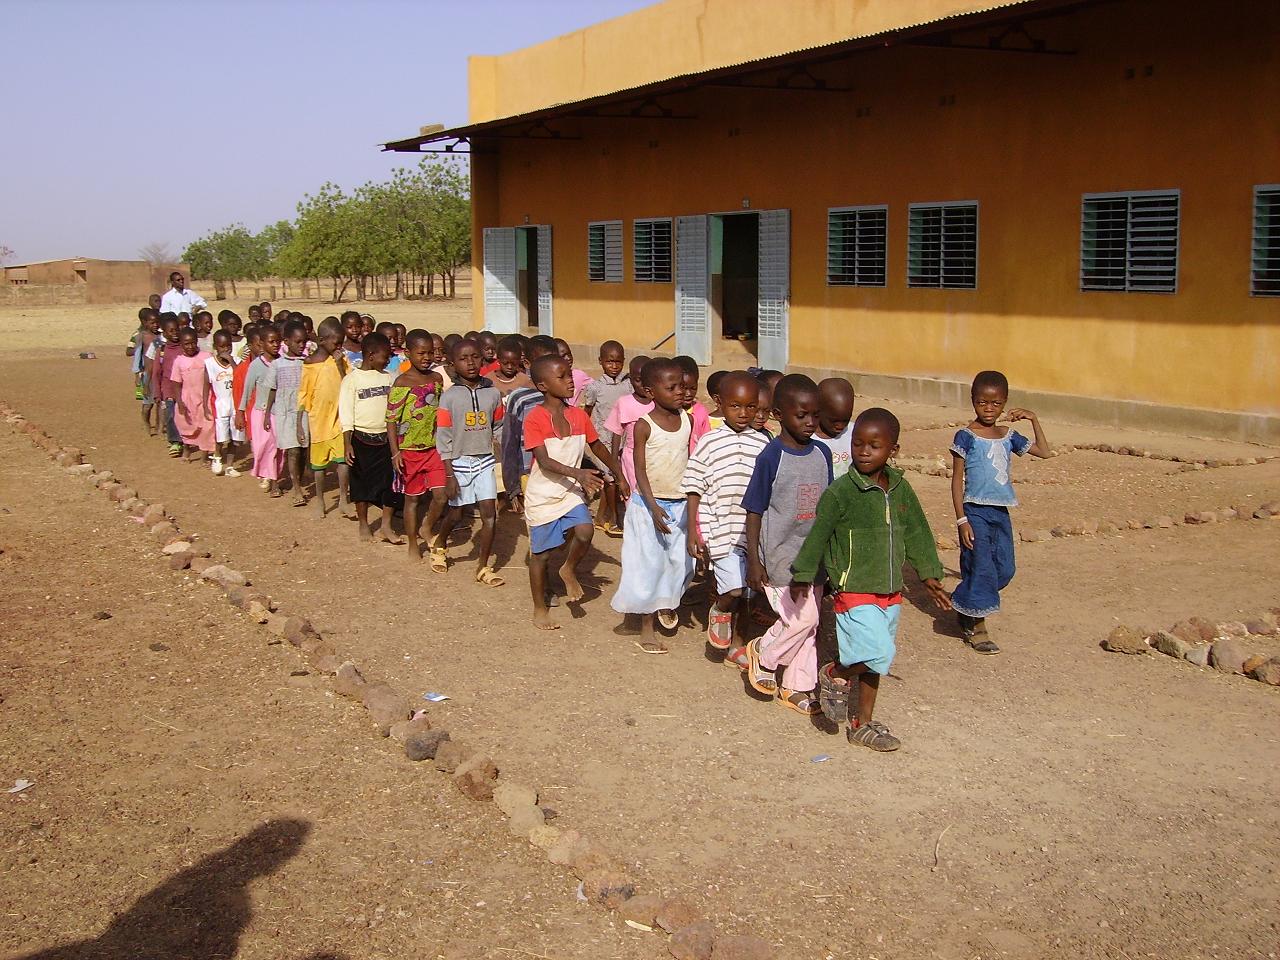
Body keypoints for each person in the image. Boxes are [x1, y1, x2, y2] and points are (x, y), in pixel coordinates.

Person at [792, 408, 952, 751]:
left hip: (890, 590)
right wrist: (803, 573)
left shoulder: (901, 489)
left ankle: (862, 724)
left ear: (892, 449)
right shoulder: (841, 493)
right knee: (879, 652)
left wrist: (930, 575)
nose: (863, 451)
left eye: (874, 445)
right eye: (858, 443)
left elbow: (918, 533)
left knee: (875, 663)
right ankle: (837, 672)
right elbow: (818, 534)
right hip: (853, 588)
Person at [742, 375, 834, 715]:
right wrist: (754, 559)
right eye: (801, 415)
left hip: (815, 557)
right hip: (780, 557)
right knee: (802, 621)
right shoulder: (771, 457)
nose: (811, 422)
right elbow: (754, 510)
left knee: (810, 626)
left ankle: (796, 686)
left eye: (815, 414)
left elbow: (828, 508)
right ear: (779, 413)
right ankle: (763, 653)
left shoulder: (822, 453)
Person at [949, 370, 1052, 653]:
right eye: (983, 402)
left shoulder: (1009, 436)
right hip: (975, 511)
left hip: (1000, 512)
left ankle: (964, 602)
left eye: (996, 403)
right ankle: (977, 626)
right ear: (973, 401)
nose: (989, 408)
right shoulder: (966, 436)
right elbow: (957, 480)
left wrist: (1034, 419)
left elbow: (1044, 451)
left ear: (1005, 403)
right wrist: (962, 520)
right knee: (982, 566)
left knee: (1004, 569)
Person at [523, 354, 627, 631]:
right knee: (541, 555)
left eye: (570, 375)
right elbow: (544, 461)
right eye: (562, 377)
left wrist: (618, 472)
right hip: (543, 495)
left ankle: (567, 568)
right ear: (543, 385)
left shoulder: (578, 415)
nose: (570, 382)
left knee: (585, 530)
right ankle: (539, 608)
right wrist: (579, 473)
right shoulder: (535, 419)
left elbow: (597, 446)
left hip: (569, 491)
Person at [683, 371, 769, 664]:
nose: (744, 413)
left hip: (752, 533)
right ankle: (719, 609)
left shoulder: (763, 444)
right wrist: (694, 530)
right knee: (732, 589)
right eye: (736, 406)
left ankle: (738, 645)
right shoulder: (710, 441)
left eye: (750, 407)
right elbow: (694, 485)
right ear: (721, 404)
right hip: (720, 529)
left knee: (748, 593)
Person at [611, 358, 696, 653]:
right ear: (650, 390)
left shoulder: (688, 419)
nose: (678, 392)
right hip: (648, 507)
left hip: (680, 504)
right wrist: (652, 506)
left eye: (681, 386)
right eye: (670, 387)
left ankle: (665, 604)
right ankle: (645, 626)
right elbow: (641, 470)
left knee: (680, 565)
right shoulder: (643, 426)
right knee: (647, 566)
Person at [435, 337, 506, 585]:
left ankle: (483, 567)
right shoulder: (450, 397)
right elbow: (443, 436)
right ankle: (440, 544)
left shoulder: (492, 393)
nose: (471, 363)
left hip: (485, 460)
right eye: (463, 359)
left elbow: (498, 425)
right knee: (456, 513)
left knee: (489, 513)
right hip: (459, 462)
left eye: (475, 357)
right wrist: (448, 474)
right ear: (453, 364)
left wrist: (499, 454)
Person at [385, 330, 447, 556]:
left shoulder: (437, 379)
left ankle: (427, 526)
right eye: (421, 353)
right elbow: (391, 420)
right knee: (412, 499)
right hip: (409, 451)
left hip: (434, 448)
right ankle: (413, 543)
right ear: (408, 353)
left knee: (441, 495)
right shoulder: (402, 382)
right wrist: (395, 453)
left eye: (430, 353)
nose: (427, 358)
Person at [341, 332, 399, 543]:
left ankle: (386, 525)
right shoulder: (352, 380)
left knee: (391, 483)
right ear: (372, 355)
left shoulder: (389, 377)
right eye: (386, 357)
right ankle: (364, 524)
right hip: (361, 438)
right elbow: (346, 413)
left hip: (386, 439)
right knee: (360, 484)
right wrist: (347, 443)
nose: (388, 361)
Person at [500, 335, 560, 515]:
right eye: (543, 361)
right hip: (529, 472)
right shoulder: (519, 398)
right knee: (540, 520)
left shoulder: (561, 395)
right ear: (527, 363)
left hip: (558, 468)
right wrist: (513, 486)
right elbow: (510, 443)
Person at [298, 317, 350, 519]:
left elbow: (348, 381)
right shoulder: (310, 363)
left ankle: (344, 499)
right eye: (335, 343)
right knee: (319, 467)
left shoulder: (340, 360)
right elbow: (303, 394)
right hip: (318, 421)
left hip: (339, 419)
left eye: (340, 343)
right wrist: (299, 424)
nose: (338, 347)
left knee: (343, 462)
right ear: (321, 340)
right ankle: (320, 500)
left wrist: (338, 364)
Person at [579, 340, 630, 536]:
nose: (614, 366)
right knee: (610, 478)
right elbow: (587, 412)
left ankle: (602, 517)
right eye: (610, 362)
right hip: (603, 440)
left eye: (618, 362)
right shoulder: (594, 387)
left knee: (618, 476)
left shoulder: (628, 385)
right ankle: (615, 519)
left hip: (623, 439)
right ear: (601, 361)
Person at [262, 320, 309, 507]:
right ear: (287, 342)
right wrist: (267, 414)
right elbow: (272, 389)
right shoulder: (277, 365)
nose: (301, 345)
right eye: (297, 342)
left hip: (304, 411)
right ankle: (297, 489)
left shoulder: (307, 363)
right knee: (292, 450)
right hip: (284, 412)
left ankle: (298, 476)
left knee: (303, 449)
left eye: (304, 341)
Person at [239, 325, 284, 496]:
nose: (275, 345)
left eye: (277, 341)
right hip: (260, 412)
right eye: (271, 342)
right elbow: (247, 390)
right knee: (262, 448)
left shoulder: (283, 362)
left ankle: (274, 482)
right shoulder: (256, 366)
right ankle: (265, 473)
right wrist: (240, 412)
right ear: (262, 344)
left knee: (277, 448)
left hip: (279, 412)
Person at [602, 354, 653, 498]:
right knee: (634, 500)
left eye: (648, 380)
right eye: (638, 380)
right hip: (631, 459)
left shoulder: (659, 403)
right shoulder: (624, 403)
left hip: (655, 457)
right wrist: (617, 472)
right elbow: (616, 435)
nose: (643, 385)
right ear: (630, 380)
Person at [169, 327, 215, 463]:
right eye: (186, 344)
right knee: (187, 426)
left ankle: (204, 456)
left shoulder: (207, 357)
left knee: (207, 426)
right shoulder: (179, 361)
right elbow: (176, 383)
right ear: (181, 344)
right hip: (187, 398)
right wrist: (180, 402)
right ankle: (187, 449)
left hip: (205, 397)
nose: (190, 346)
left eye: (193, 343)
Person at [204, 331, 243, 477]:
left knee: (235, 438)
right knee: (221, 436)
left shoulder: (237, 361)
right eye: (222, 347)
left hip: (236, 404)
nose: (225, 350)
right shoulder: (210, 364)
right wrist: (204, 405)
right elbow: (206, 386)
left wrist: (232, 361)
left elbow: (240, 376)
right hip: (220, 404)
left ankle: (230, 466)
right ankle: (217, 456)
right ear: (215, 347)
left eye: (228, 346)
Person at [150, 314, 183, 456]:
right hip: (168, 390)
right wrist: (157, 393)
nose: (175, 333)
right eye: (171, 331)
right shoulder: (162, 351)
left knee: (186, 415)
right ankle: (175, 441)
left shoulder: (185, 347)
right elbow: (156, 373)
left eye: (176, 330)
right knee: (170, 415)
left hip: (184, 389)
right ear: (164, 332)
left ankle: (187, 439)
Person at [814, 377, 855, 480]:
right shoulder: (809, 438)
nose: (840, 426)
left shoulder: (855, 432)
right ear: (818, 409)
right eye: (834, 421)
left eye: (846, 420)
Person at [673, 355, 711, 448]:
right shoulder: (665, 411)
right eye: (684, 388)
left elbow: (706, 440)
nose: (689, 393)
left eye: (693, 388)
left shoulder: (700, 411)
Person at [132, 308, 160, 434]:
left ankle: (160, 426)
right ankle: (146, 423)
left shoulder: (160, 337)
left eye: (157, 322)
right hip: (146, 374)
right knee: (148, 403)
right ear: (145, 323)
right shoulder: (141, 337)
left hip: (158, 373)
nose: (155, 325)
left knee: (159, 402)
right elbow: (137, 356)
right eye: (152, 323)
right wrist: (137, 374)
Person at [554, 338, 594, 406]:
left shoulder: (579, 375)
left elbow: (595, 386)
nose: (568, 358)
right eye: (563, 356)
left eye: (569, 354)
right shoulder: (551, 379)